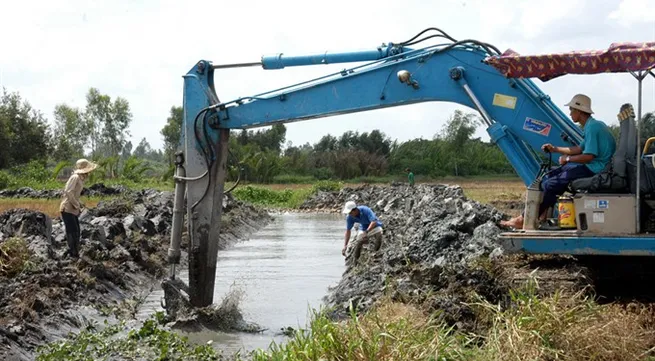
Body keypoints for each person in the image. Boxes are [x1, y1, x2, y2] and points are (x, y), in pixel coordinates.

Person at [501, 94, 616, 229]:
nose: (570, 113)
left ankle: (525, 218)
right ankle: (541, 214)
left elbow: (588, 156)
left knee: (551, 185)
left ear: (579, 111)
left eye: (572, 110)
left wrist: (567, 159)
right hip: (594, 167)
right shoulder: (593, 125)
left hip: (597, 169)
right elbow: (579, 148)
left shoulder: (592, 128)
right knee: (549, 175)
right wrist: (555, 149)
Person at [59, 159, 98, 258]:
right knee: (72, 231)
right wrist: (76, 204)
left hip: (73, 208)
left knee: (76, 231)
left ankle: (74, 252)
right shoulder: (75, 177)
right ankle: (73, 254)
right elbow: (68, 192)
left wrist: (79, 203)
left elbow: (74, 194)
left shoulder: (80, 178)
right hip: (67, 208)